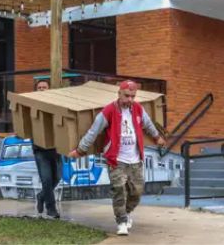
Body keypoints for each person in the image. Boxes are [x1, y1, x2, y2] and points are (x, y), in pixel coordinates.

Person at [69, 80, 166, 236]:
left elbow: (148, 125)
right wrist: (80, 150)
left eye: (133, 96)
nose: (130, 100)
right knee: (119, 190)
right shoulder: (108, 111)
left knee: (137, 192)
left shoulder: (138, 109)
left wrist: (157, 137)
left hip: (135, 159)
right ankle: (121, 221)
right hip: (117, 159)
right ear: (119, 93)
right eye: (127, 96)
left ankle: (126, 213)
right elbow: (93, 131)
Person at [32, 79, 62, 219]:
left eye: (44, 87)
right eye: (39, 87)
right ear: (35, 90)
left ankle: (41, 196)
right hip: (40, 150)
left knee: (57, 178)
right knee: (47, 180)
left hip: (55, 149)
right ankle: (51, 209)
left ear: (49, 89)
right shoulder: (31, 105)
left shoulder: (55, 105)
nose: (42, 89)